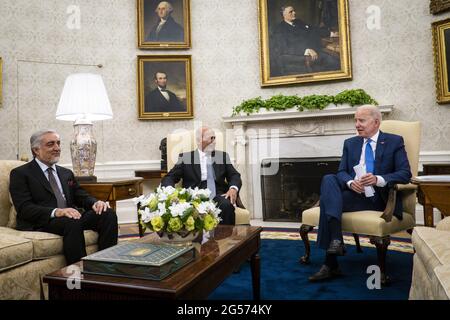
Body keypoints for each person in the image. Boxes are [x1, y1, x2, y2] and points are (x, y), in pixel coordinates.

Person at [308, 105, 412, 282]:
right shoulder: (351, 143)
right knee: (328, 178)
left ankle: (330, 262)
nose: (357, 124)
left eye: (361, 120)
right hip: (356, 195)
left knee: (327, 200)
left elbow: (405, 173)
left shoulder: (394, 141)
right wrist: (350, 182)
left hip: (380, 199)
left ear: (376, 122)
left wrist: (378, 179)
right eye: (355, 120)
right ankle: (336, 242)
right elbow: (341, 172)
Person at [9, 130, 118, 265]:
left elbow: (81, 196)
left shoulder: (65, 173)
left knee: (107, 213)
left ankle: (107, 265)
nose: (57, 148)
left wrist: (95, 203)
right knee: (71, 220)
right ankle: (80, 273)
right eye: (51, 144)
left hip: (70, 218)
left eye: (58, 143)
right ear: (36, 150)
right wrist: (58, 212)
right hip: (43, 220)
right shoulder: (21, 174)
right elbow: (24, 208)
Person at [161, 127, 242, 225]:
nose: (214, 141)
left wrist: (233, 188)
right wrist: (170, 191)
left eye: (214, 138)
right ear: (199, 141)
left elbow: (234, 175)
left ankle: (225, 238)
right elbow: (170, 177)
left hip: (217, 194)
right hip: (195, 197)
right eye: (210, 138)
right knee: (189, 210)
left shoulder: (222, 156)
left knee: (226, 205)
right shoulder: (186, 158)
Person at [270, 5, 340, 76]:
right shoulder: (279, 29)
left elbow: (313, 29)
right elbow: (284, 48)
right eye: (291, 12)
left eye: (294, 11)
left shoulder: (298, 22)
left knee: (336, 60)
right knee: (334, 63)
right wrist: (306, 50)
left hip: (316, 51)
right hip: (302, 57)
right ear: (284, 15)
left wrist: (331, 33)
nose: (294, 13)